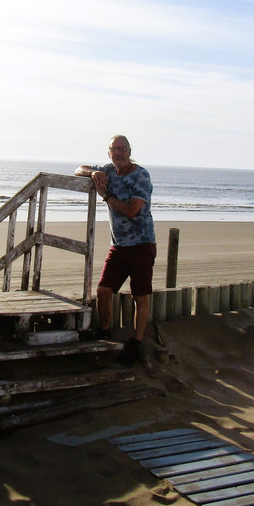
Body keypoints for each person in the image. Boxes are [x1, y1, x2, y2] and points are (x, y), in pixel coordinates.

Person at [76, 135, 156, 366]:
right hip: (119, 247)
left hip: (142, 246)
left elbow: (132, 210)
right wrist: (92, 173)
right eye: (115, 149)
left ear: (129, 151)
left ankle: (136, 343)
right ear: (109, 152)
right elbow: (78, 168)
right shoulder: (108, 170)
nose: (119, 153)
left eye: (123, 149)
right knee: (103, 291)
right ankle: (104, 332)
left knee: (140, 298)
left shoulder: (141, 175)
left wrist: (107, 196)